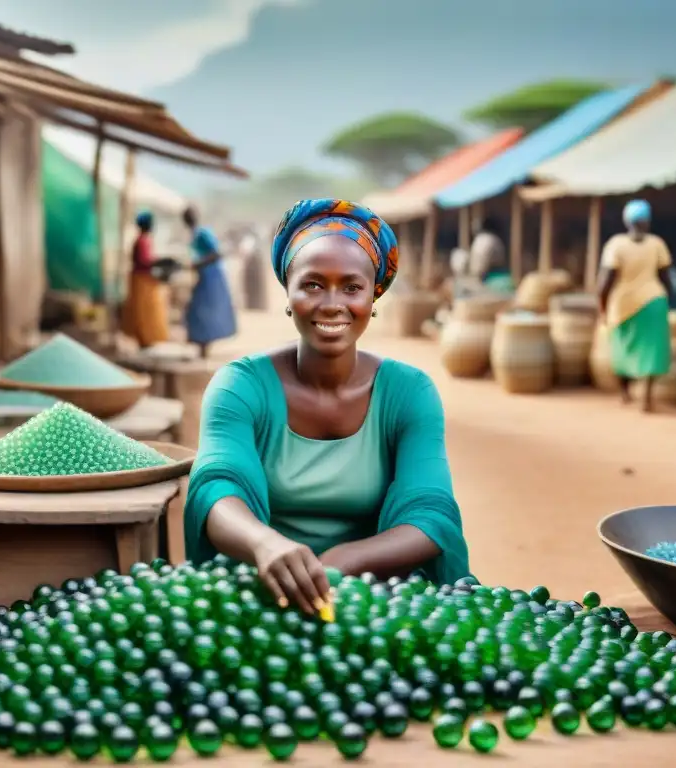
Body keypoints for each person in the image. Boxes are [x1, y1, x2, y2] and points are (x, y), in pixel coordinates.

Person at [184, 199, 471, 613]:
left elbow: (430, 514)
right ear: (288, 292)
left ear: (374, 296)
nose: (332, 303)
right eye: (313, 284)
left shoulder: (409, 393)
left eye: (351, 287)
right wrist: (267, 545)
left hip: (377, 599)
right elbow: (216, 488)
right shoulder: (240, 387)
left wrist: (343, 561)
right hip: (261, 591)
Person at [597, 199, 673, 413]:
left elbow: (605, 281)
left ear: (626, 221)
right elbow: (666, 278)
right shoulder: (657, 244)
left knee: (622, 347)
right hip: (653, 301)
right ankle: (647, 396)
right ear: (648, 221)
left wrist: (602, 306)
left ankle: (625, 393)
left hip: (623, 304)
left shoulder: (616, 245)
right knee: (652, 350)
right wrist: (673, 301)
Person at [182, 206, 237, 358]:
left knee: (204, 310)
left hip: (212, 277)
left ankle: (204, 347)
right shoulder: (195, 234)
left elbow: (216, 254)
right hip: (205, 275)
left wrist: (198, 264)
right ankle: (202, 346)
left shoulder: (202, 234)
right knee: (199, 310)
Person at [121, 211, 170, 349]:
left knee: (146, 311)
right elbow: (144, 261)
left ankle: (147, 341)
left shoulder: (143, 240)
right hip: (142, 280)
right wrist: (158, 263)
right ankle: (144, 341)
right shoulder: (142, 240)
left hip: (143, 279)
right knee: (144, 312)